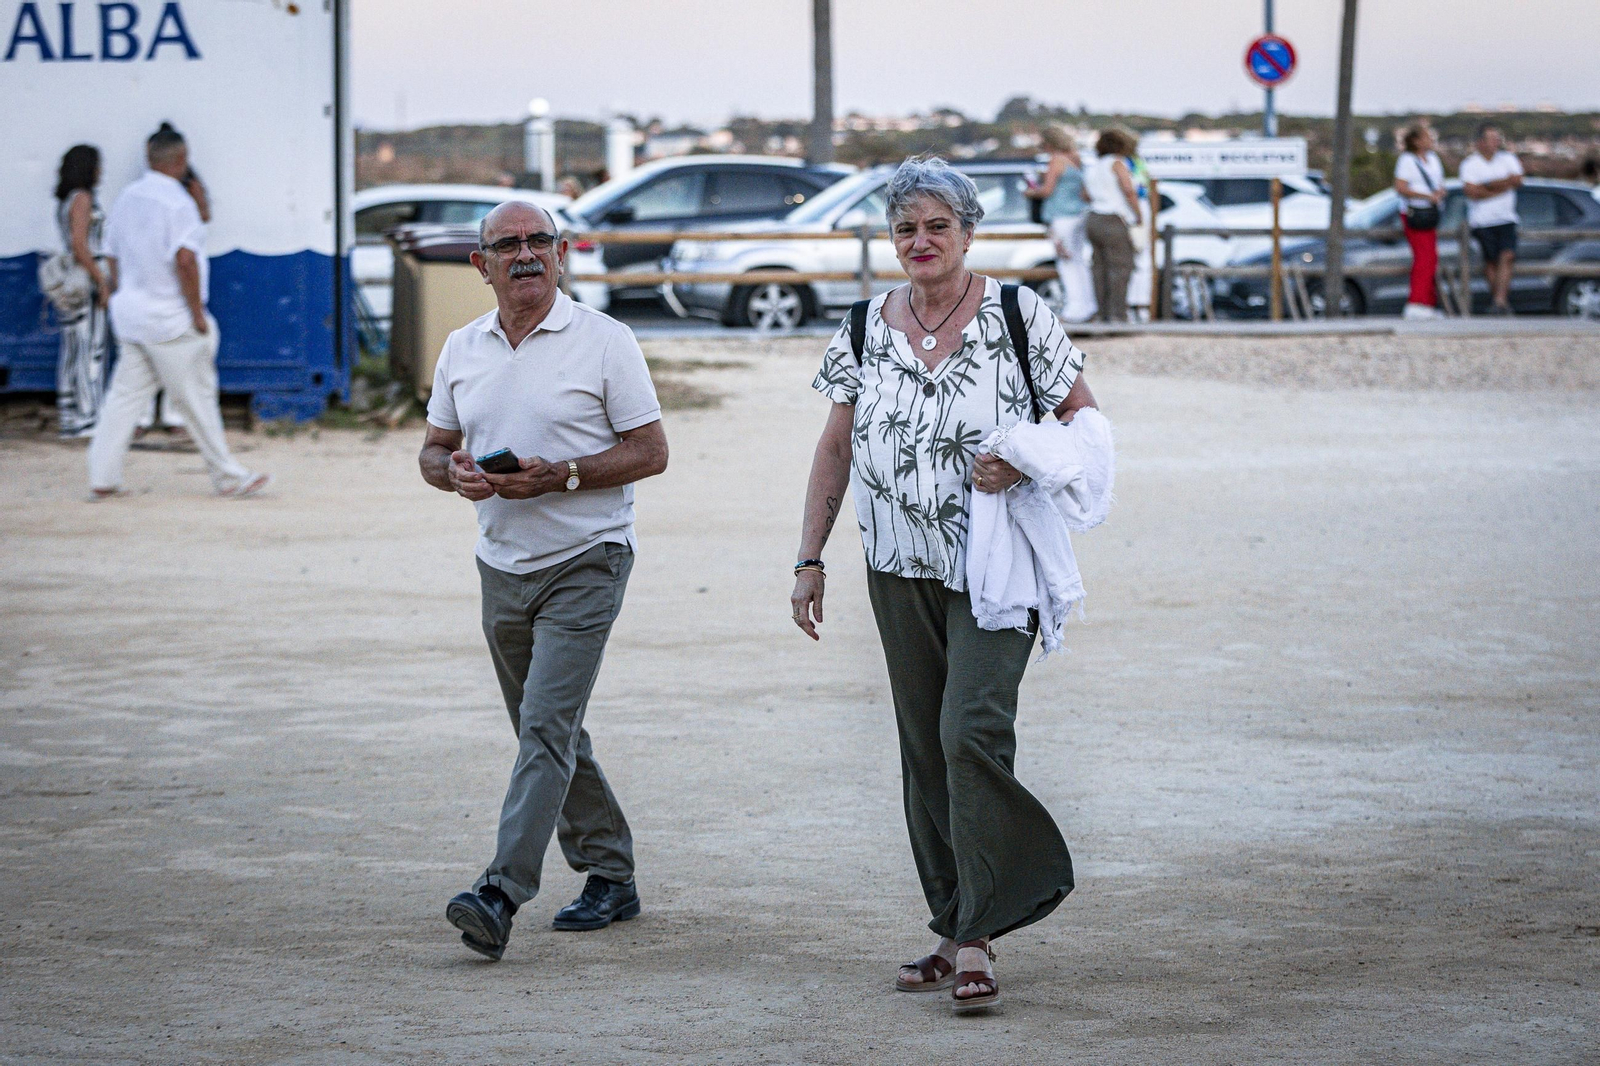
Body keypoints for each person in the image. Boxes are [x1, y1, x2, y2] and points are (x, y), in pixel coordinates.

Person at [793, 158, 1094, 1013]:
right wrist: (808, 558)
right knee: (924, 749)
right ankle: (952, 921)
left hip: (996, 571)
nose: (919, 242)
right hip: (895, 568)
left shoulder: (1018, 314)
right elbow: (835, 448)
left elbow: (1084, 421)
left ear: (968, 231)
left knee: (969, 730)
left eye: (936, 226)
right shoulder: (860, 327)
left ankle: (983, 929)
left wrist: (1023, 458)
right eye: (904, 229)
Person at [421, 200, 668, 961]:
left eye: (539, 242)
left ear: (560, 255)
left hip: (588, 560)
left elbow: (651, 451)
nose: (525, 254)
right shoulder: (462, 347)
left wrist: (560, 476)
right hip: (501, 568)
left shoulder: (605, 341)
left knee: (544, 729)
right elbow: (432, 449)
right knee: (549, 731)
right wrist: (453, 472)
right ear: (482, 264)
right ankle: (611, 873)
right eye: (508, 244)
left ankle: (499, 892)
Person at [87, 123, 269, 499]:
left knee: (123, 399)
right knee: (198, 398)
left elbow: (112, 256)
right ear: (182, 159)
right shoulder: (178, 204)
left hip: (131, 316)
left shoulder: (126, 198)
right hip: (170, 319)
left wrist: (124, 291)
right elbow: (185, 261)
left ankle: (102, 477)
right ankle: (228, 476)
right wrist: (197, 313)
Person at [51, 144, 114, 440]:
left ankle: (72, 415)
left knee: (74, 347)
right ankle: (87, 418)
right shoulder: (83, 199)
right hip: (85, 279)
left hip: (71, 280)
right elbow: (81, 245)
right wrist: (101, 280)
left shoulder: (66, 200)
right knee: (91, 348)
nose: (101, 171)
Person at [1025, 126, 1095, 322]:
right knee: (1079, 261)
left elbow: (1047, 191)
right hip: (1078, 215)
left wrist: (1030, 191)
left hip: (1061, 216)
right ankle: (1088, 305)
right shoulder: (1076, 159)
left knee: (1066, 262)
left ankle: (1075, 309)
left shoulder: (1056, 161)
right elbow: (1083, 191)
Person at [1459, 123, 1524, 316]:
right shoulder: (1470, 164)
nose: (1497, 142)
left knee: (1507, 256)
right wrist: (1503, 185)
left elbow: (1518, 181)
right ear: (1480, 142)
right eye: (1492, 138)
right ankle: (1500, 303)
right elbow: (1471, 192)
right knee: (1491, 261)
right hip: (1482, 220)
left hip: (1506, 218)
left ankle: (1499, 300)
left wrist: (1487, 185)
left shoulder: (1508, 159)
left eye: (1497, 138)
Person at [1082, 129, 1143, 323]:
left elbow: (1085, 195)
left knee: (1099, 268)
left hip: (1093, 218)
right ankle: (1118, 315)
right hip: (1113, 219)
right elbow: (1128, 190)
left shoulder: (1094, 166)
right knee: (1120, 268)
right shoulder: (1117, 163)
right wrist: (1138, 215)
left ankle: (1102, 313)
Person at [1394, 125, 1446, 320]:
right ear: (1415, 140)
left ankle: (1428, 302)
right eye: (1425, 137)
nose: (1430, 140)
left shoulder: (1433, 159)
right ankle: (1416, 301)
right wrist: (1426, 196)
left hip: (1431, 213)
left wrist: (1439, 193)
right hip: (1415, 213)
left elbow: (1438, 183)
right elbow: (1400, 187)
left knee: (1431, 258)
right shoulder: (1406, 160)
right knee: (1423, 258)